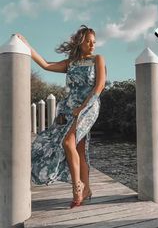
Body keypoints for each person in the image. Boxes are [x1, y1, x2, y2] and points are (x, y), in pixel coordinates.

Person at [16, 26, 106, 208]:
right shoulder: (70, 63)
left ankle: (77, 189)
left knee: (67, 142)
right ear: (80, 42)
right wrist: (27, 46)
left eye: (94, 42)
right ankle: (87, 188)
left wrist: (82, 107)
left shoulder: (97, 59)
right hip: (68, 108)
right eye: (88, 41)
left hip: (89, 106)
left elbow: (99, 86)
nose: (92, 45)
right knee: (78, 148)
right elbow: (46, 65)